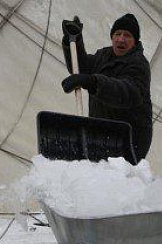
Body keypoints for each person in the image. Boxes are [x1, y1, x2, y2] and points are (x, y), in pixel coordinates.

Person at [60, 14, 153, 163]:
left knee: (115, 179)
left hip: (128, 141)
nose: (121, 39)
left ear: (135, 42)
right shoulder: (103, 55)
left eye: (127, 35)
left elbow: (127, 92)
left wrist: (93, 82)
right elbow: (80, 67)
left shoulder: (139, 64)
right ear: (112, 37)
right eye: (117, 34)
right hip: (100, 134)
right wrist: (74, 40)